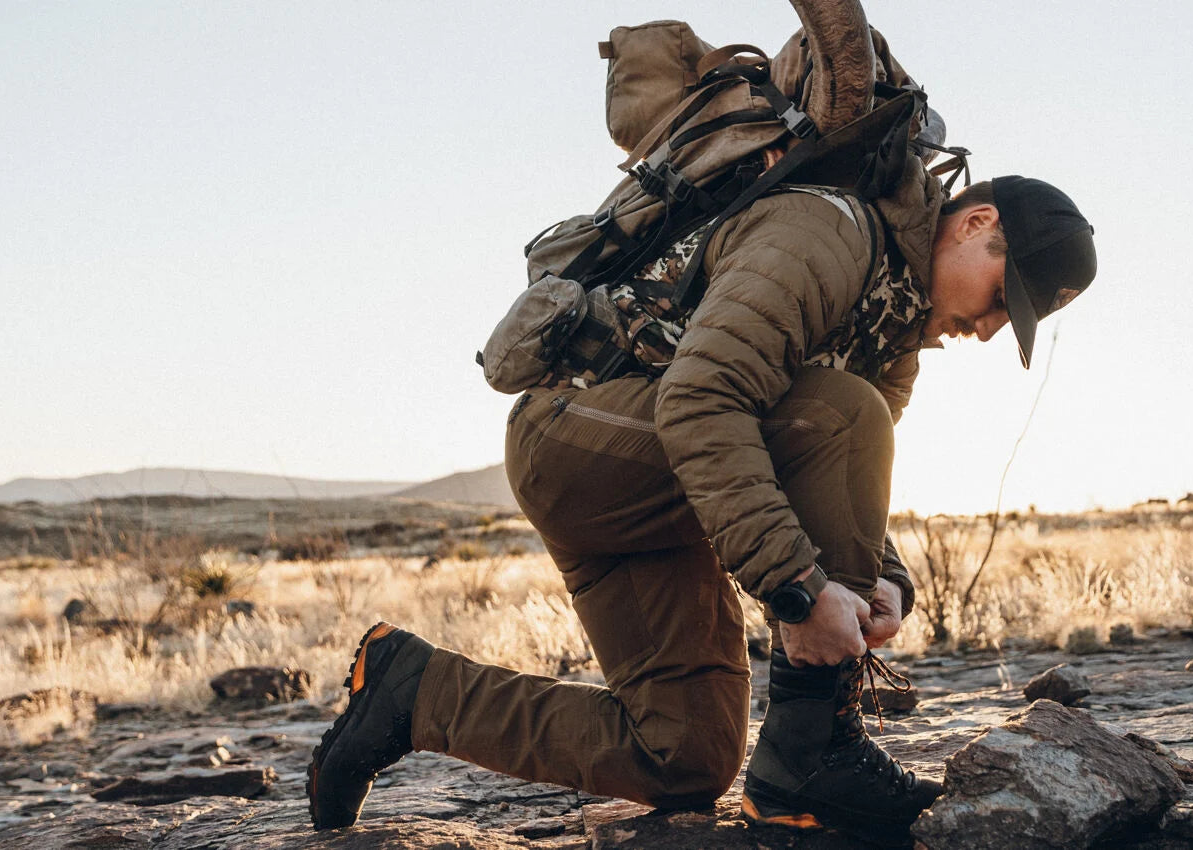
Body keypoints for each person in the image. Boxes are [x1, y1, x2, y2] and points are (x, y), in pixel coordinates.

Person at [308, 174, 1097, 846]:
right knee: (849, 414)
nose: (991, 330)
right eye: (1004, 299)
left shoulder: (894, 332)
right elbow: (702, 400)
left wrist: (885, 582)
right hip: (580, 444)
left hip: (669, 500)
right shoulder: (824, 232)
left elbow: (835, 485)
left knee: (685, 759)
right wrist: (797, 589)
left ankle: (412, 691)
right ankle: (809, 763)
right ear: (976, 222)